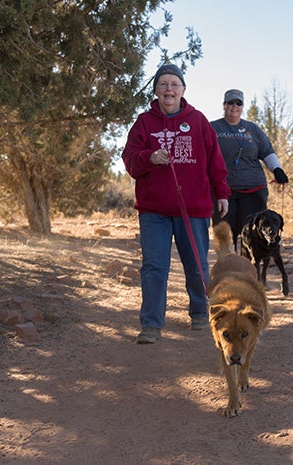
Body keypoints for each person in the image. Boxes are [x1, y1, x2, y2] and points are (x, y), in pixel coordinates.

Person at [122, 64, 230, 344]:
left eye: (174, 84)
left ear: (183, 90)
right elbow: (130, 161)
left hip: (192, 208)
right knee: (154, 266)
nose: (169, 89)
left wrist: (221, 193)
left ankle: (198, 313)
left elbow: (215, 161)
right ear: (156, 90)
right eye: (163, 84)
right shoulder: (144, 123)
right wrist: (149, 158)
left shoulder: (198, 121)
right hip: (153, 210)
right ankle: (151, 325)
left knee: (196, 263)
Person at [210, 89, 289, 248]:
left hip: (253, 191)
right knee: (225, 235)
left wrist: (277, 169)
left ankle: (251, 271)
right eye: (230, 102)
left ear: (242, 106)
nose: (234, 106)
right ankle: (227, 270)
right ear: (224, 105)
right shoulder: (213, 128)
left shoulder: (252, 129)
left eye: (238, 103)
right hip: (223, 192)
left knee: (252, 238)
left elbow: (267, 152)